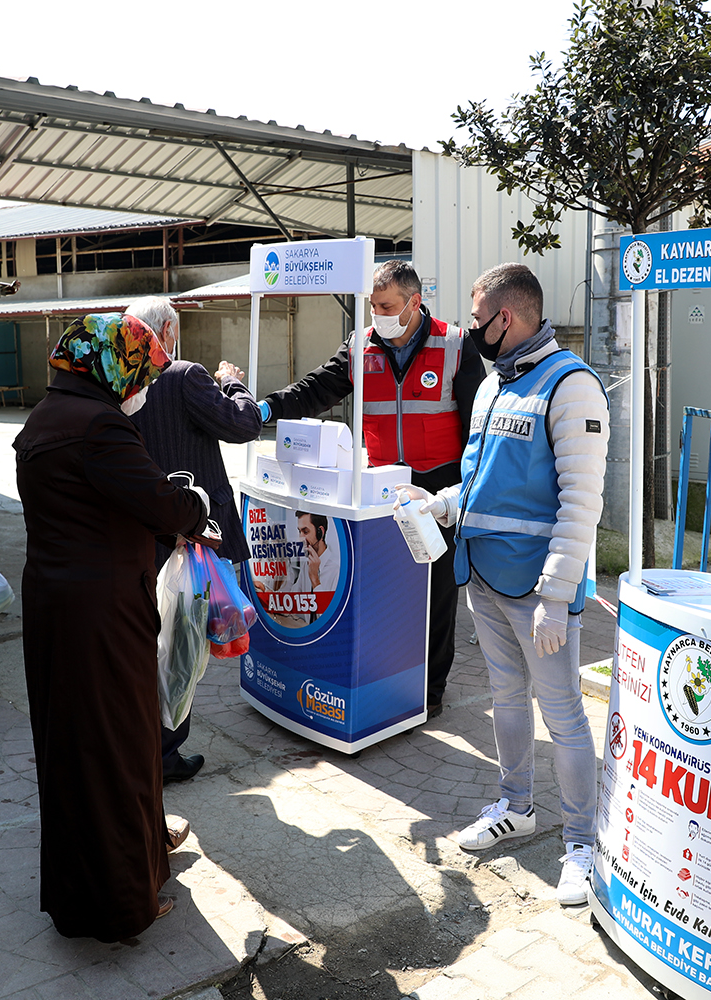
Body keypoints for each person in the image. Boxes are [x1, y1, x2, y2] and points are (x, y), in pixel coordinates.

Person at [404, 263, 609, 906]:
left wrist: (555, 595)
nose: (469, 335)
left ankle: (582, 842)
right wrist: (445, 502)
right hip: (484, 577)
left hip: (537, 592)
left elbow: (581, 502)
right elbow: (484, 479)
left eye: (476, 323)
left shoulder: (571, 386)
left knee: (565, 716)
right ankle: (515, 806)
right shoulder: (494, 387)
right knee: (505, 698)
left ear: (508, 318)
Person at [14, 313, 212, 942]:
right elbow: (160, 505)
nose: (142, 386)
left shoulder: (47, 415)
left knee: (79, 743)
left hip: (57, 608)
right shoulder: (98, 425)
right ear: (110, 366)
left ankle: (146, 842)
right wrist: (196, 503)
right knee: (116, 745)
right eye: (140, 372)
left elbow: (107, 500)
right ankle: (121, 899)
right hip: (99, 613)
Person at [259, 260, 484, 719]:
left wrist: (465, 491)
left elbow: (477, 427)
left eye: (386, 305)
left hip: (437, 483)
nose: (376, 314)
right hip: (381, 486)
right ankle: (386, 676)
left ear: (414, 303)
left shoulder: (456, 344)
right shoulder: (361, 347)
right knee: (386, 586)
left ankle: (430, 689)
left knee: (437, 591)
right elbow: (316, 389)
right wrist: (265, 408)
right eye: (372, 305)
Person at [124, 295, 262, 784]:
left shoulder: (121, 382)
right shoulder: (184, 374)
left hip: (146, 532)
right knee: (183, 643)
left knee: (154, 640)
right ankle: (164, 754)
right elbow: (243, 424)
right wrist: (232, 382)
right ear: (169, 331)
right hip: (195, 532)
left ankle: (148, 742)